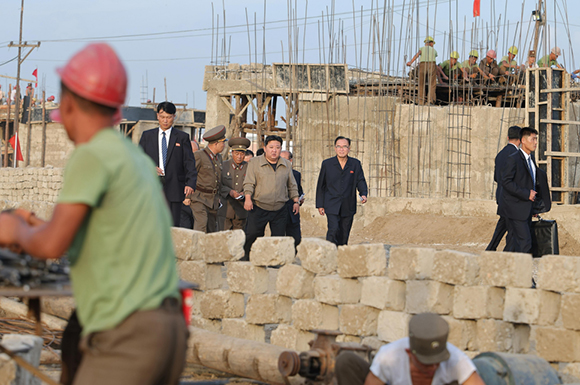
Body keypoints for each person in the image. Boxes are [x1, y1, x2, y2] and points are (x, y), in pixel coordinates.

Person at [0, 43, 187, 385]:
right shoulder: (132, 158)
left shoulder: (92, 155)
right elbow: (99, 234)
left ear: (68, 103)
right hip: (168, 329)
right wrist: (36, 225)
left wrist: (13, 230)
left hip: (129, 335)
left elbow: (52, 245)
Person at [335, 313, 485, 385]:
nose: (434, 367)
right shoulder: (389, 356)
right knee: (346, 361)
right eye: (426, 363)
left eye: (438, 361)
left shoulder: (456, 360)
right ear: (409, 353)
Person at [139, 101, 197, 226]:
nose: (165, 120)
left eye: (169, 117)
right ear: (158, 116)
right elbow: (138, 159)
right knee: (151, 224)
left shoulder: (182, 137)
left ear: (174, 117)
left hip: (175, 187)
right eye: (163, 117)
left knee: (172, 226)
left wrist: (190, 183)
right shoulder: (147, 136)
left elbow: (189, 163)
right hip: (152, 186)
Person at [243, 135, 299, 260]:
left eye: (277, 147)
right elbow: (249, 182)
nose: (274, 150)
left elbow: (292, 184)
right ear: (265, 148)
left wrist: (296, 201)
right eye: (271, 147)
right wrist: (248, 198)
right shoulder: (254, 162)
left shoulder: (286, 165)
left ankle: (275, 259)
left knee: (278, 237)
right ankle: (248, 256)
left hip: (280, 208)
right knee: (252, 234)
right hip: (259, 206)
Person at [316, 136, 368, 246]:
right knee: (333, 230)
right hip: (331, 203)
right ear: (335, 148)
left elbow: (360, 180)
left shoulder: (355, 164)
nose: (341, 149)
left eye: (345, 147)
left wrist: (363, 193)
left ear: (349, 149)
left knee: (344, 233)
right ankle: (330, 254)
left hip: (348, 204)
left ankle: (340, 255)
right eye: (339, 147)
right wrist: (320, 204)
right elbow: (321, 185)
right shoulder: (327, 164)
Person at [500, 127, 541, 253]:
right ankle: (522, 272)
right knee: (525, 243)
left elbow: (532, 183)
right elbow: (505, 181)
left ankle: (502, 269)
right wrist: (526, 194)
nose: (535, 142)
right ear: (523, 140)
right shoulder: (513, 158)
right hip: (515, 208)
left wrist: (534, 207)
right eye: (532, 139)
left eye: (536, 139)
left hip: (526, 209)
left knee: (513, 244)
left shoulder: (531, 159)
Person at [486, 126, 521, 251]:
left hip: (501, 195)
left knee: (503, 224)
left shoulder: (500, 154)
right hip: (511, 197)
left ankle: (491, 249)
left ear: (508, 138)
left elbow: (496, 177)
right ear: (521, 140)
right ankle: (506, 253)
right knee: (513, 228)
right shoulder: (516, 155)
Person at [189, 125, 226, 233]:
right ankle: (196, 249)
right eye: (222, 142)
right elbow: (189, 175)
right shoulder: (199, 155)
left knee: (211, 229)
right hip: (199, 197)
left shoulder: (218, 157)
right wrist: (187, 196)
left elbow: (218, 178)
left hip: (213, 199)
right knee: (201, 226)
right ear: (216, 143)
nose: (224, 145)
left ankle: (207, 250)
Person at [219, 137, 251, 231]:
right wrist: (229, 192)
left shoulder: (249, 168)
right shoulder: (223, 165)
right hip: (225, 209)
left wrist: (245, 193)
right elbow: (218, 184)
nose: (239, 156)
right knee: (223, 238)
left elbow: (254, 184)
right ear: (232, 153)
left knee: (238, 240)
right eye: (237, 153)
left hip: (241, 210)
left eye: (242, 154)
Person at [280, 150, 305, 248]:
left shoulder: (296, 174)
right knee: (280, 238)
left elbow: (299, 191)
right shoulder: (273, 174)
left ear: (290, 161)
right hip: (279, 212)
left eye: (285, 160)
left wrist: (299, 201)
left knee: (296, 239)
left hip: (292, 211)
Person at [407, 36, 438, 105]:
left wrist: (410, 62)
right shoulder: (434, 50)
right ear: (431, 43)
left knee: (421, 83)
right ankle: (430, 101)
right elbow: (435, 56)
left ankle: (421, 101)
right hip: (431, 64)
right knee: (432, 84)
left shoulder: (422, 48)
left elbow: (417, 55)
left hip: (423, 65)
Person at [180, 140, 199, 229]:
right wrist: (186, 198)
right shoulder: (179, 164)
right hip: (183, 203)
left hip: (198, 203)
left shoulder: (201, 163)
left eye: (195, 151)